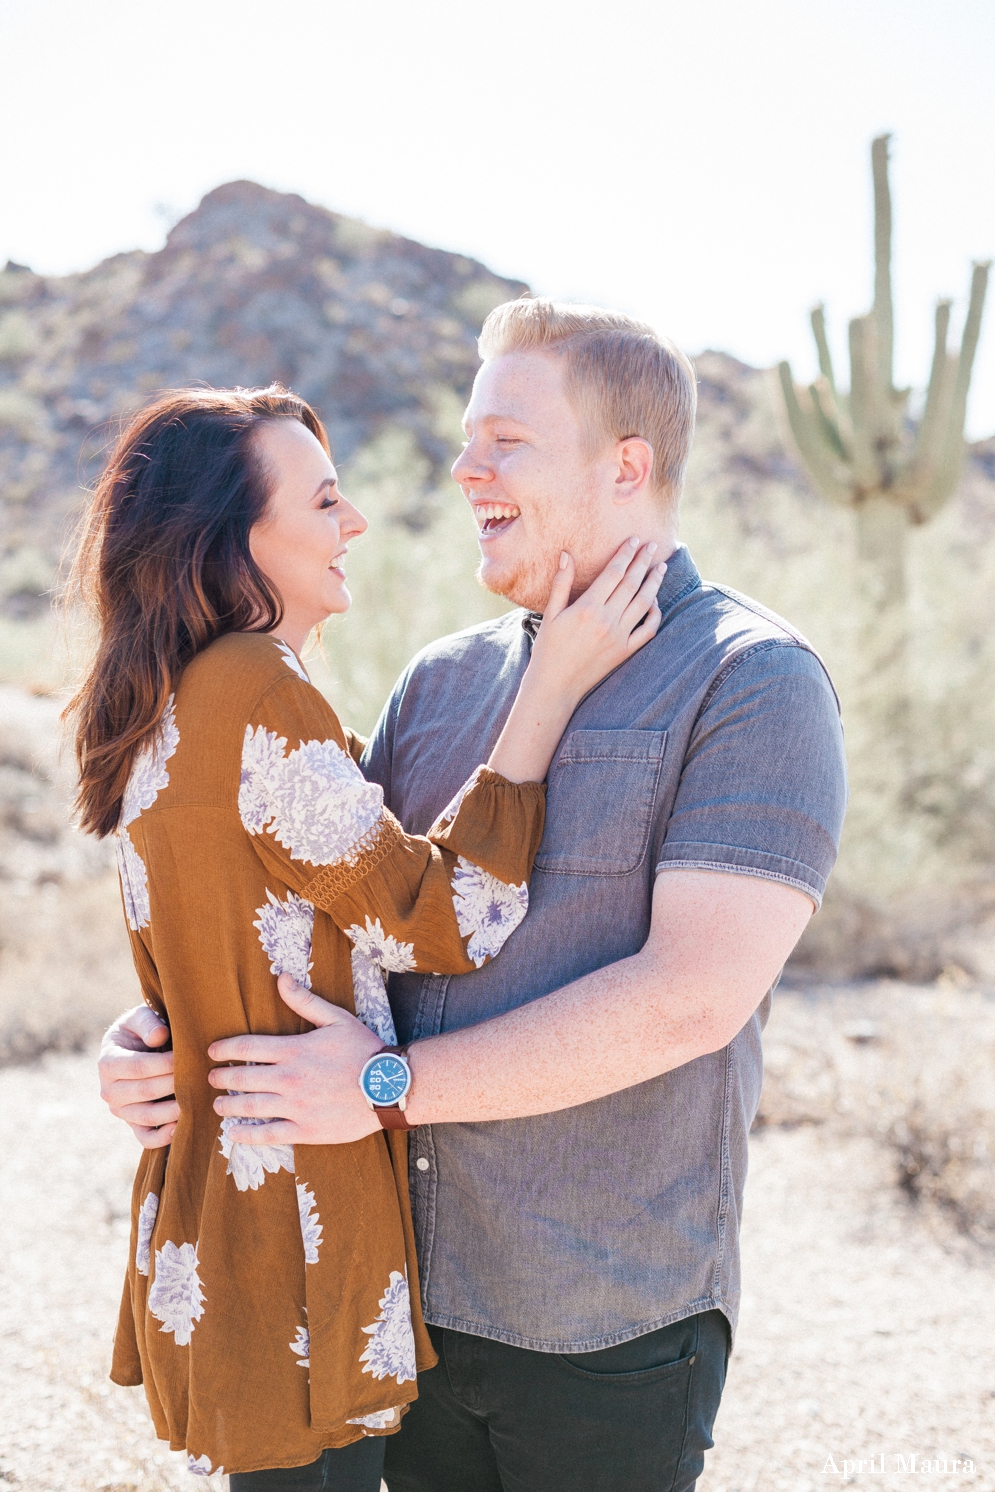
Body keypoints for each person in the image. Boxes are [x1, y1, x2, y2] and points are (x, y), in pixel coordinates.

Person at [99, 301, 848, 1492]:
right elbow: (332, 915)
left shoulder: (749, 680)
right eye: (465, 436)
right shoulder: (439, 681)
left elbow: (689, 1001)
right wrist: (160, 1035)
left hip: (599, 1314)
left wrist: (382, 1087)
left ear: (625, 468)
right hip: (406, 1301)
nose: (463, 468)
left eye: (504, 438)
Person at [71, 382, 666, 1487]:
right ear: (234, 539)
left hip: (214, 1212)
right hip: (294, 1219)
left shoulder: (161, 700)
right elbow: (443, 921)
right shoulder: (255, 689)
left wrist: (135, 1043)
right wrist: (547, 691)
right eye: (325, 500)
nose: (352, 525)